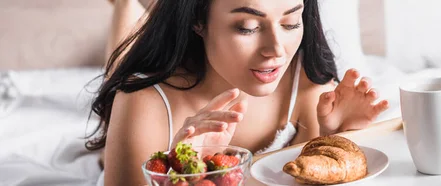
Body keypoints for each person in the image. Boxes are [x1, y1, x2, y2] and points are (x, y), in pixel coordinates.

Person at [87, 0, 389, 185]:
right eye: (247, 27)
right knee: (120, 70)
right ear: (198, 20)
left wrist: (337, 134)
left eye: (290, 22)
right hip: (139, 113)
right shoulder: (142, 100)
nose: (276, 51)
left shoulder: (307, 80)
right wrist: (178, 173)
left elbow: (309, 175)